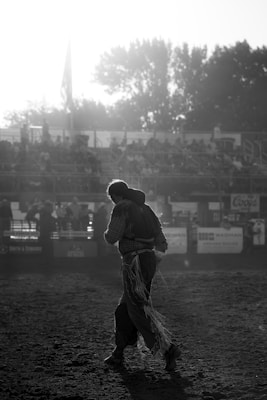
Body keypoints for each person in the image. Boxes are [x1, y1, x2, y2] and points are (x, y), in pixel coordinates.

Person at [103, 179, 181, 371]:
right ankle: (118, 353)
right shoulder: (146, 209)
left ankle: (167, 348)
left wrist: (106, 234)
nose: (113, 202)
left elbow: (112, 236)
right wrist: (154, 259)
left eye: (112, 198)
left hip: (133, 263)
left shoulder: (121, 207)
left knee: (137, 310)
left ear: (116, 195)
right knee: (124, 308)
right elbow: (161, 239)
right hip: (147, 261)